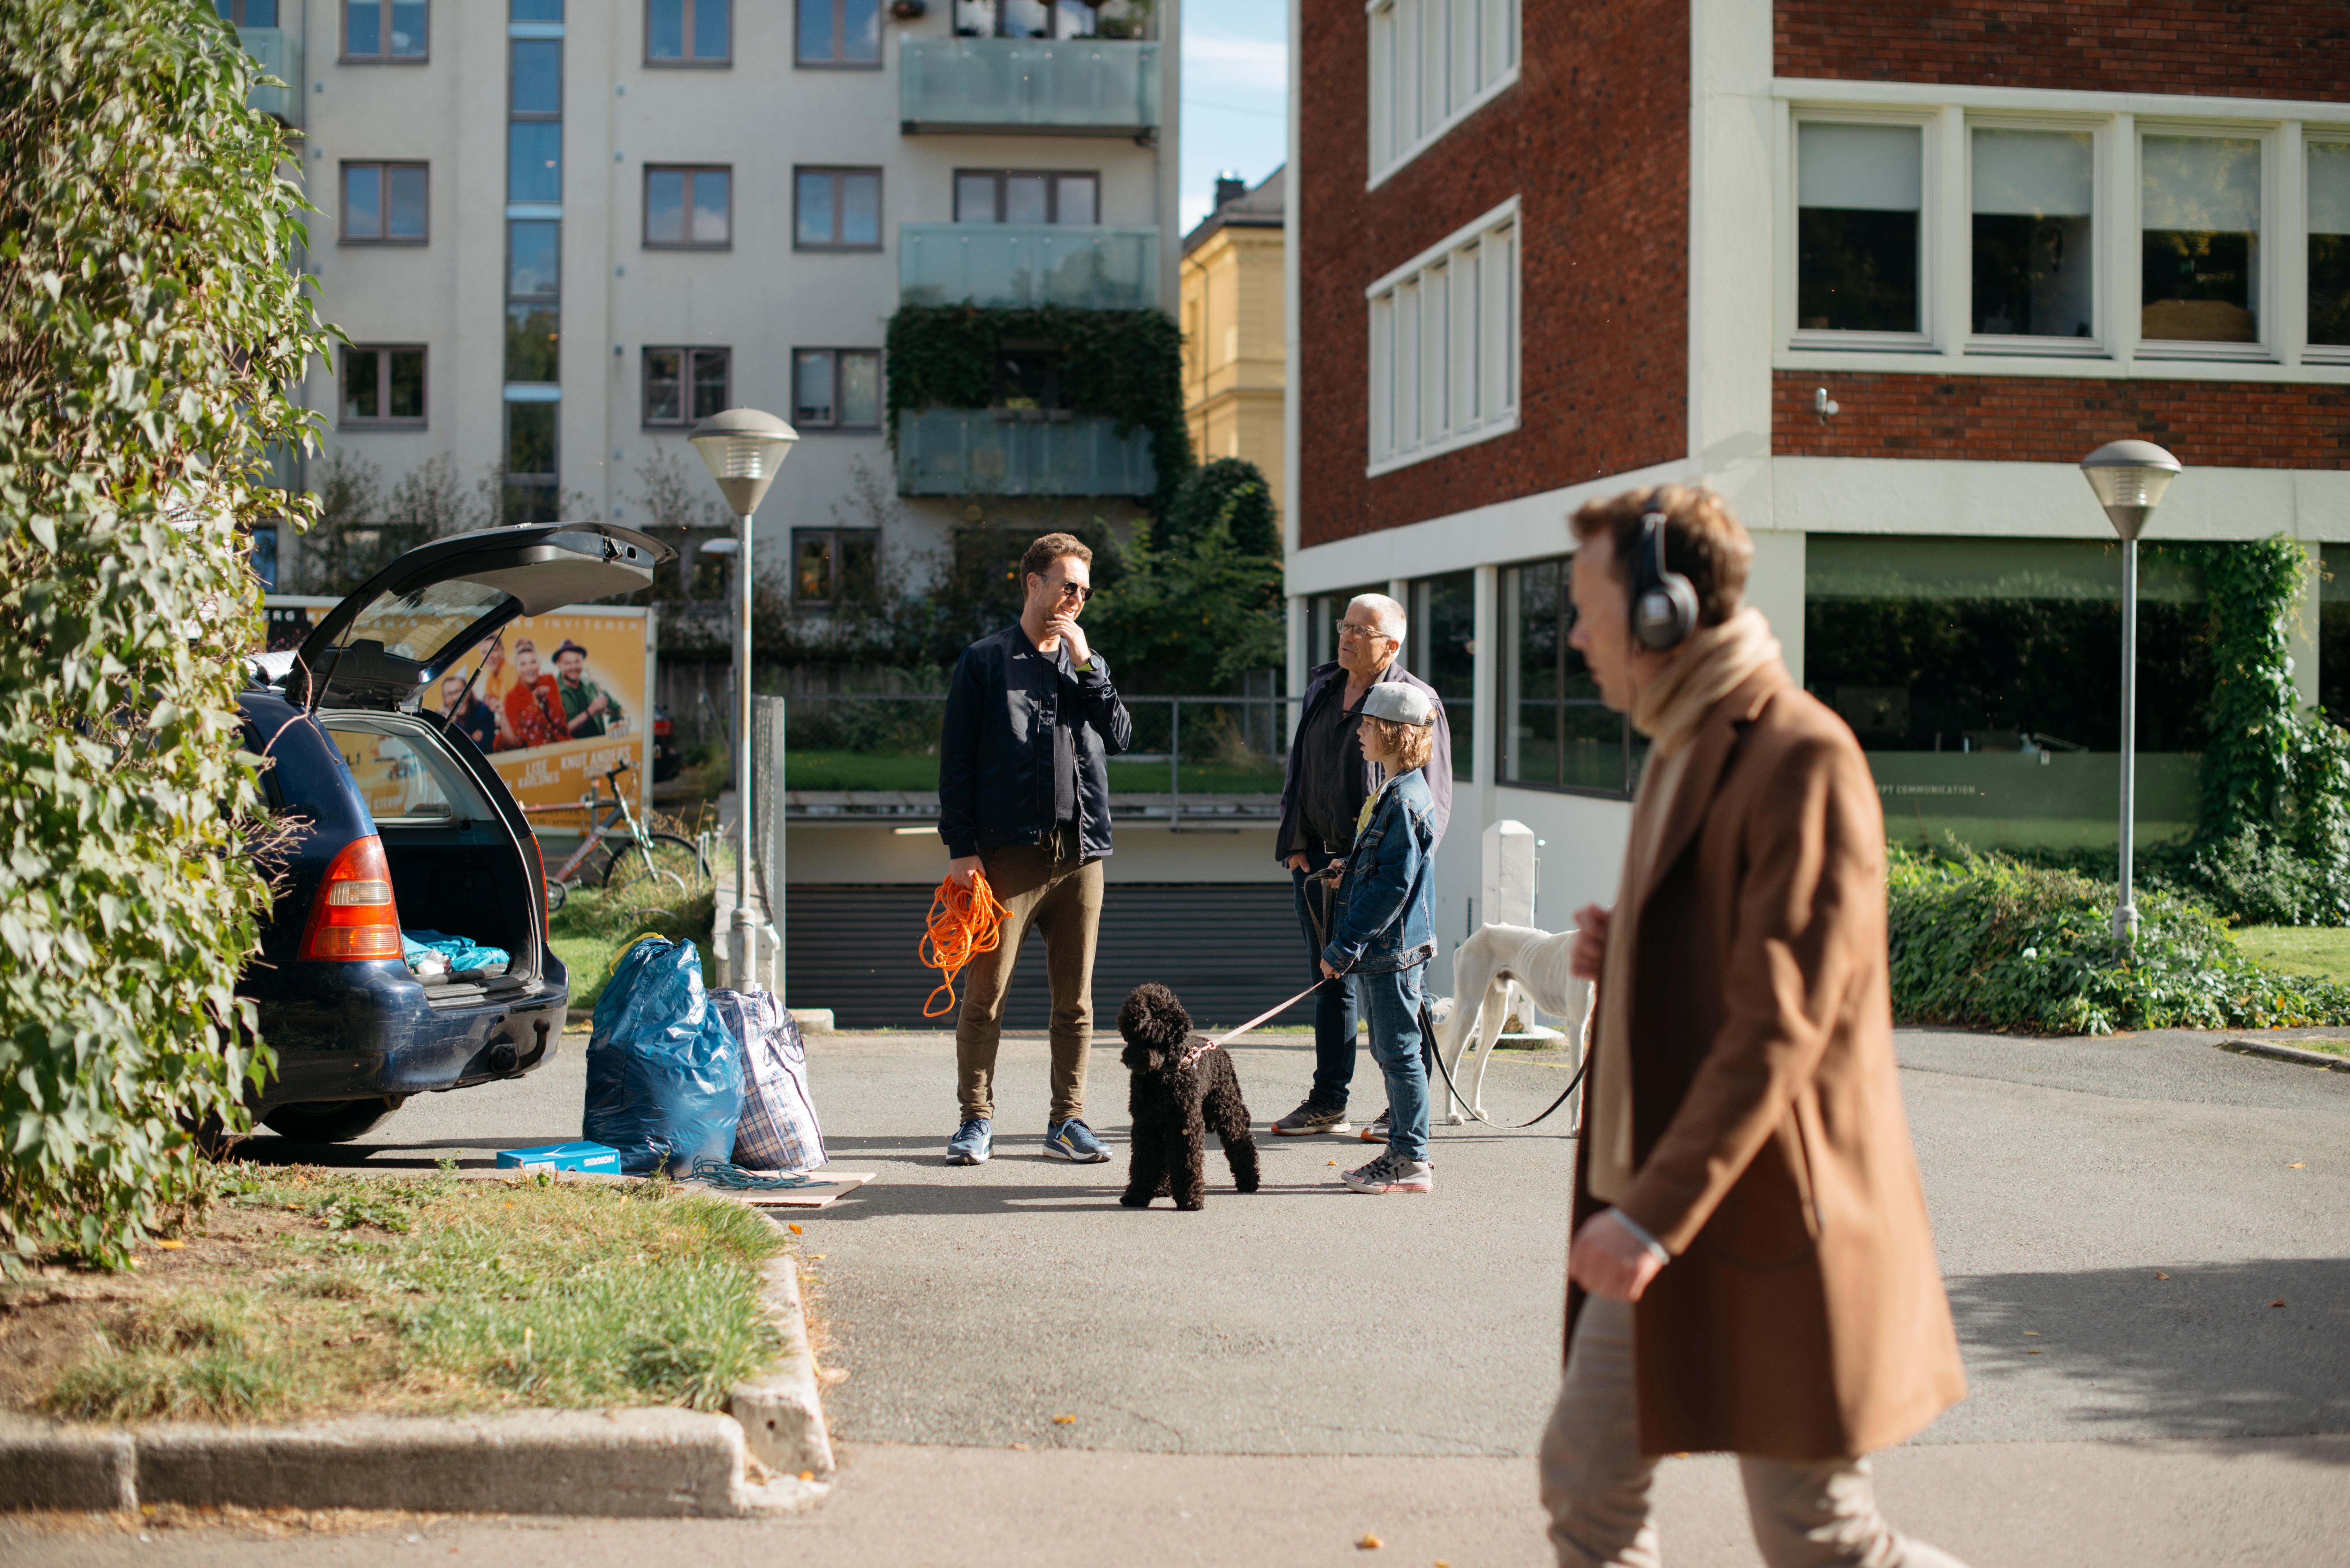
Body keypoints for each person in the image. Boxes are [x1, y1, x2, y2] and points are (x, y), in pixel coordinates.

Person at [1542, 486, 1969, 1568]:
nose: (1577, 633)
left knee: (1822, 1544)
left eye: (1590, 607)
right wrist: (1627, 947)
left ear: (1664, 614)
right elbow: (1723, 948)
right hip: (1676, 1204)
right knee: (1588, 1485)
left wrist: (1647, 1221)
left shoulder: (1798, 755)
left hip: (1754, 1212)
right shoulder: (1684, 739)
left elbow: (1784, 1021)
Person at [937, 533, 1133, 1167]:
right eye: (1065, 584)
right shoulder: (984, 661)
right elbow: (956, 762)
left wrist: (1088, 666)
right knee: (984, 995)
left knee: (1074, 1000)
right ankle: (975, 1119)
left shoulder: (1084, 663)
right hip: (1005, 859)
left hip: (1080, 855)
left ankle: (1066, 1120)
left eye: (1083, 589)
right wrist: (962, 850)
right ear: (1032, 582)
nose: (1075, 598)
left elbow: (1121, 735)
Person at [1270, 593, 1452, 1139]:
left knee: (1392, 987)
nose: (1347, 636)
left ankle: (1405, 1110)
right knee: (1329, 980)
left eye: (1362, 630)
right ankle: (1330, 1101)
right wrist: (1295, 840)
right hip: (1321, 863)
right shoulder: (1324, 686)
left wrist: (1382, 870)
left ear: (1391, 644)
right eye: (1344, 625)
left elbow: (1433, 803)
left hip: (1373, 870)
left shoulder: (1413, 702)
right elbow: (1300, 766)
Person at [1316, 682, 1441, 1195]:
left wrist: (1344, 947)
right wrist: (1353, 867)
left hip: (1390, 953)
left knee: (1398, 1053)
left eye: (1368, 726)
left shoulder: (1404, 799)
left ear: (1394, 732)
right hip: (1391, 951)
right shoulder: (1395, 789)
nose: (1361, 734)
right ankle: (1405, 1155)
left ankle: (1410, 1161)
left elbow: (1394, 886)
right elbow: (1387, 869)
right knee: (1394, 1051)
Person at [501, 637, 566, 750]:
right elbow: (519, 739)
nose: (529, 668)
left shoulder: (549, 681)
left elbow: (560, 722)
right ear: (517, 668)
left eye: (533, 662)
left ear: (539, 664)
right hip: (531, 755)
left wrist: (545, 702)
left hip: (560, 747)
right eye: (523, 664)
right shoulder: (511, 697)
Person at [555, 639, 623, 737]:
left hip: (598, 748)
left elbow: (617, 708)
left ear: (582, 662)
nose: (574, 667)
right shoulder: (554, 692)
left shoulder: (592, 685)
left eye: (577, 662)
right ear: (559, 665)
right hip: (571, 751)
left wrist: (614, 719)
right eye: (568, 663)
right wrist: (591, 710)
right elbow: (561, 731)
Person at [438, 675, 499, 753]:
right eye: (450, 694)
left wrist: (454, 727)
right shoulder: (441, 720)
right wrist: (471, 738)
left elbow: (480, 751)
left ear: (469, 693)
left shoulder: (484, 712)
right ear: (445, 700)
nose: (456, 698)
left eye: (459, 691)